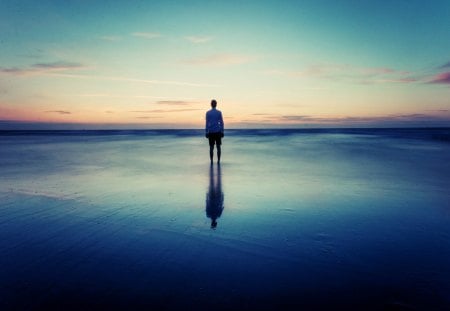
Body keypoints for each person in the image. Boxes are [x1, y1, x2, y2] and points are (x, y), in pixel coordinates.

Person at [205, 99, 224, 163]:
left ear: (211, 104)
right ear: (216, 104)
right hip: (218, 131)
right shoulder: (219, 112)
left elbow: (207, 123)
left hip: (211, 132)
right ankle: (218, 161)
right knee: (218, 147)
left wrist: (206, 132)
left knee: (211, 148)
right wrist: (222, 131)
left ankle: (212, 161)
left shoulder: (208, 113)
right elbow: (221, 123)